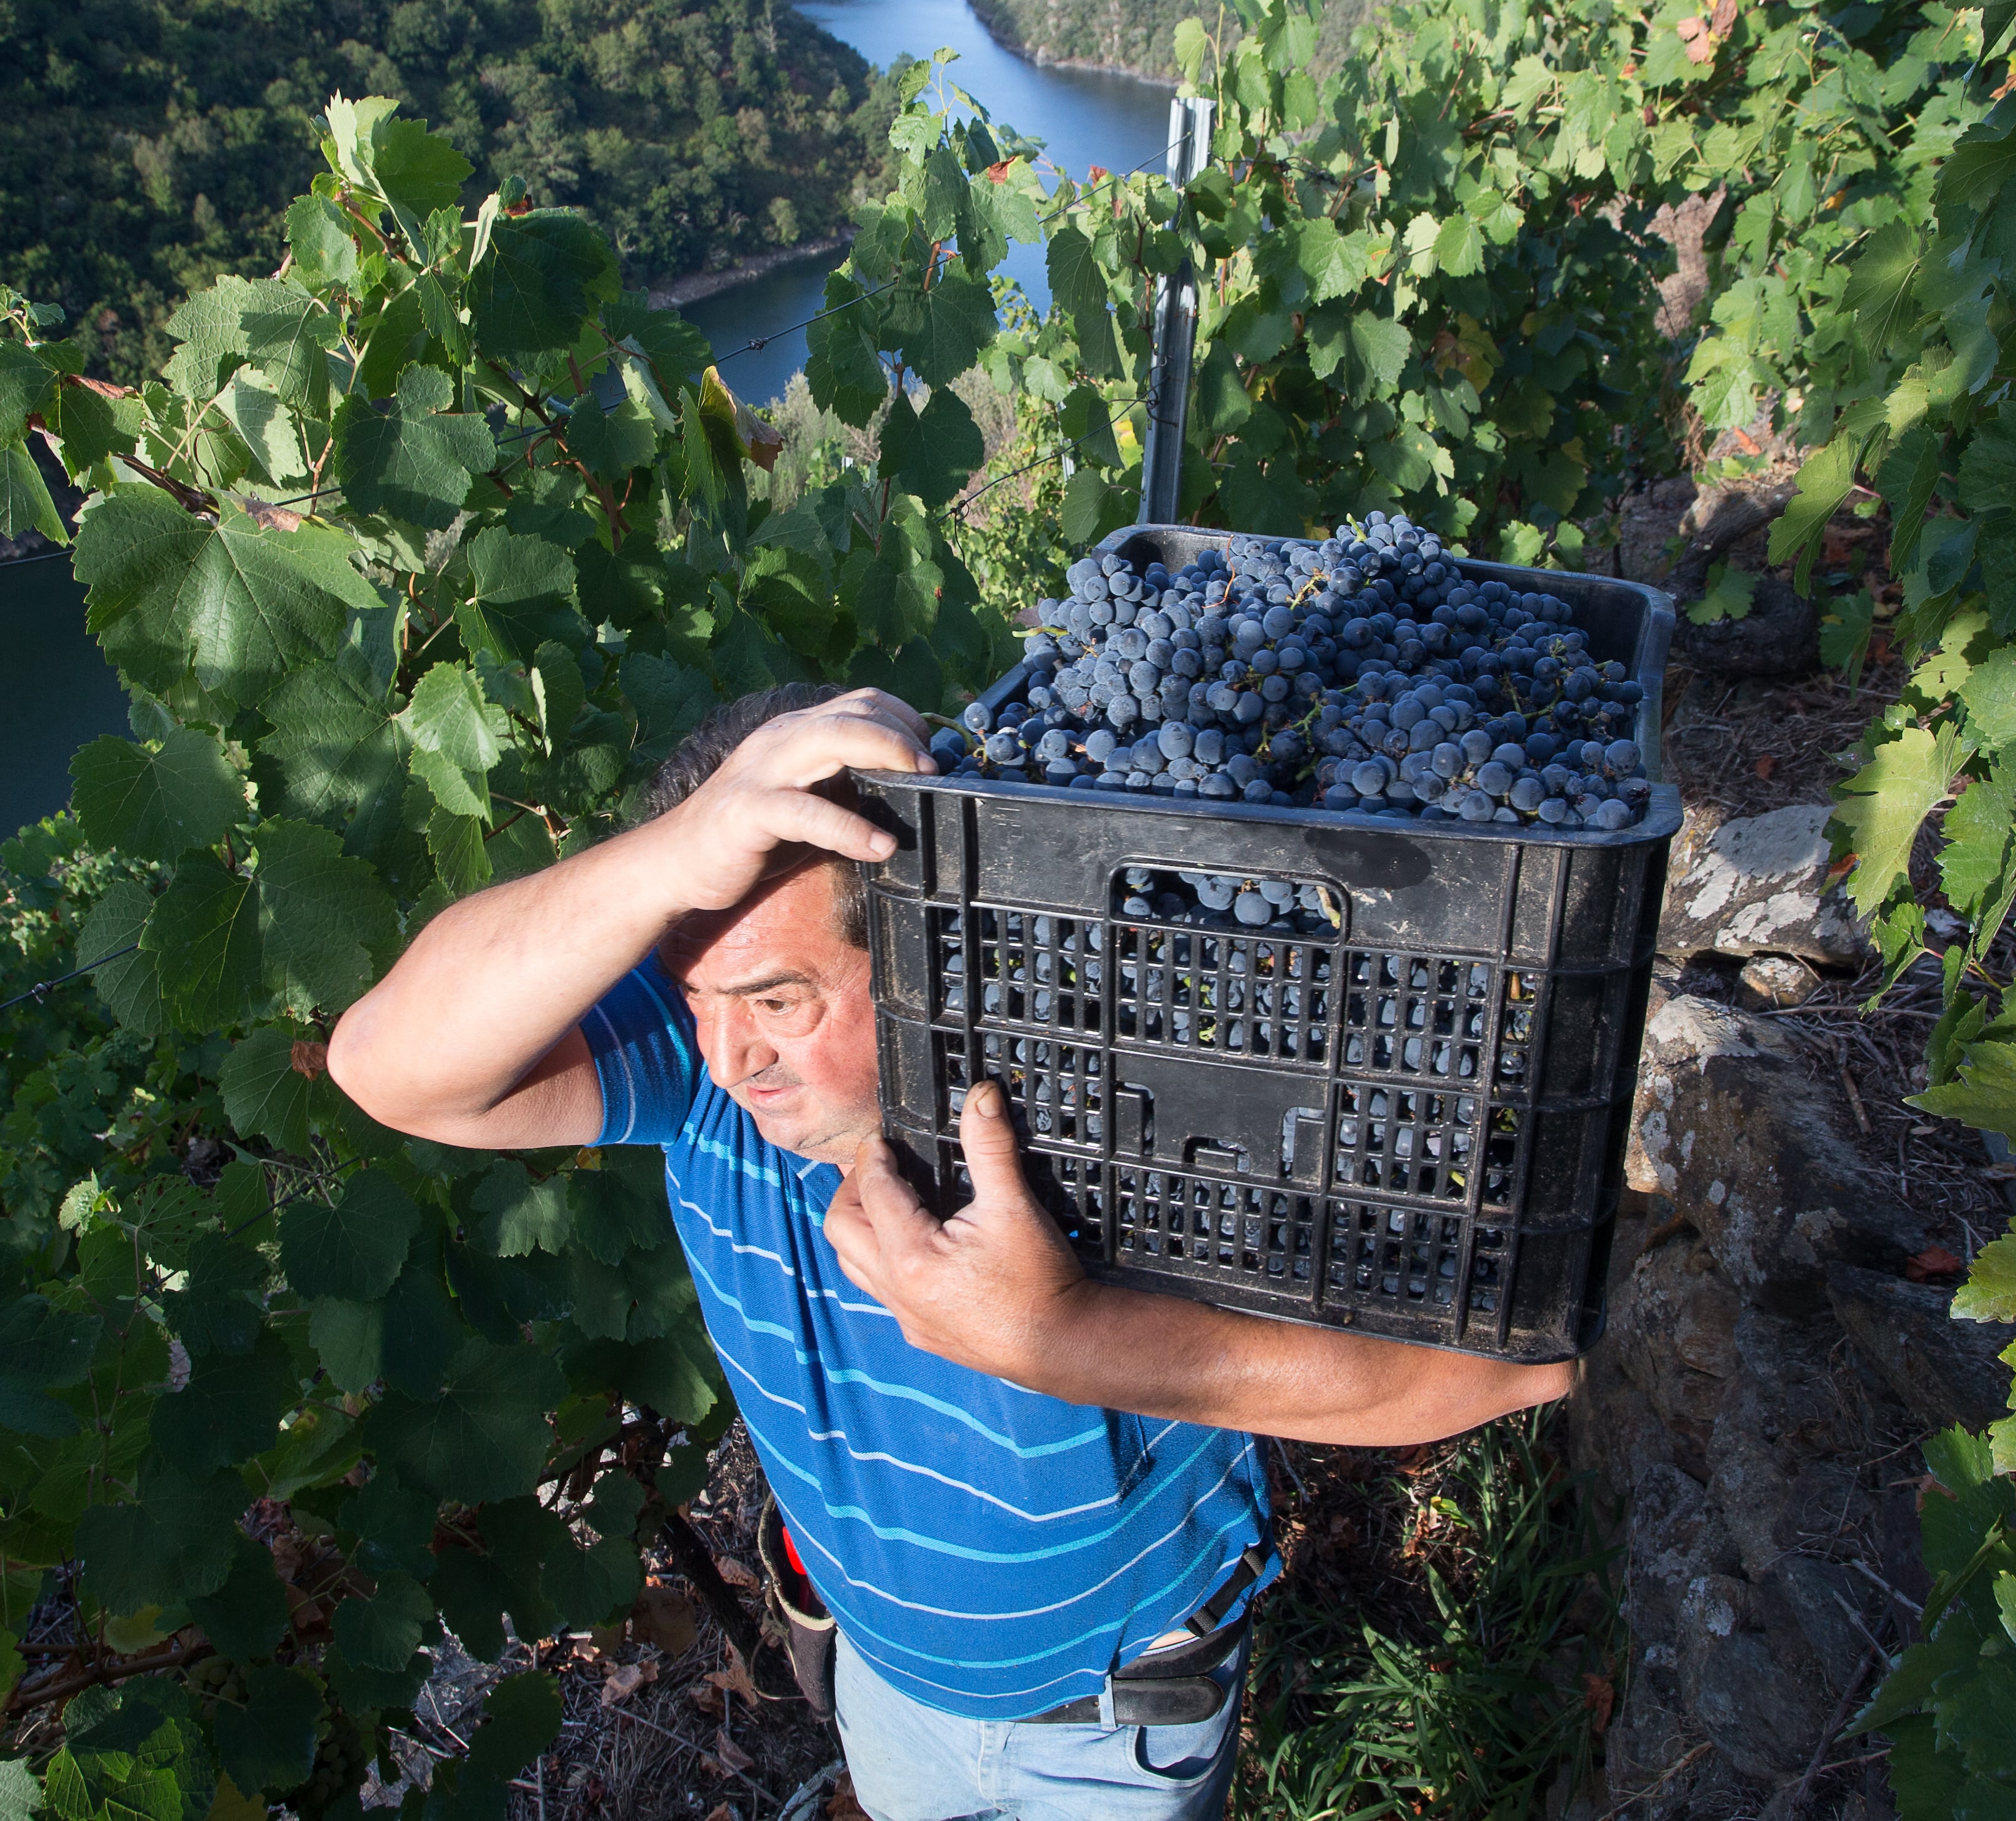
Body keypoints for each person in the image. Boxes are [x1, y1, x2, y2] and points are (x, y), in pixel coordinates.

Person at [329, 683, 1577, 1820]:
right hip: (885, 1693)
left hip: (1114, 1735)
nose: (728, 1056)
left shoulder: (1107, 1094)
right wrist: (671, 856)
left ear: (929, 950)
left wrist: (1075, 1340)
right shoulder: (696, 1072)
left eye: (778, 999)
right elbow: (385, 1066)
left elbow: (1509, 1366)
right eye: (698, 1000)